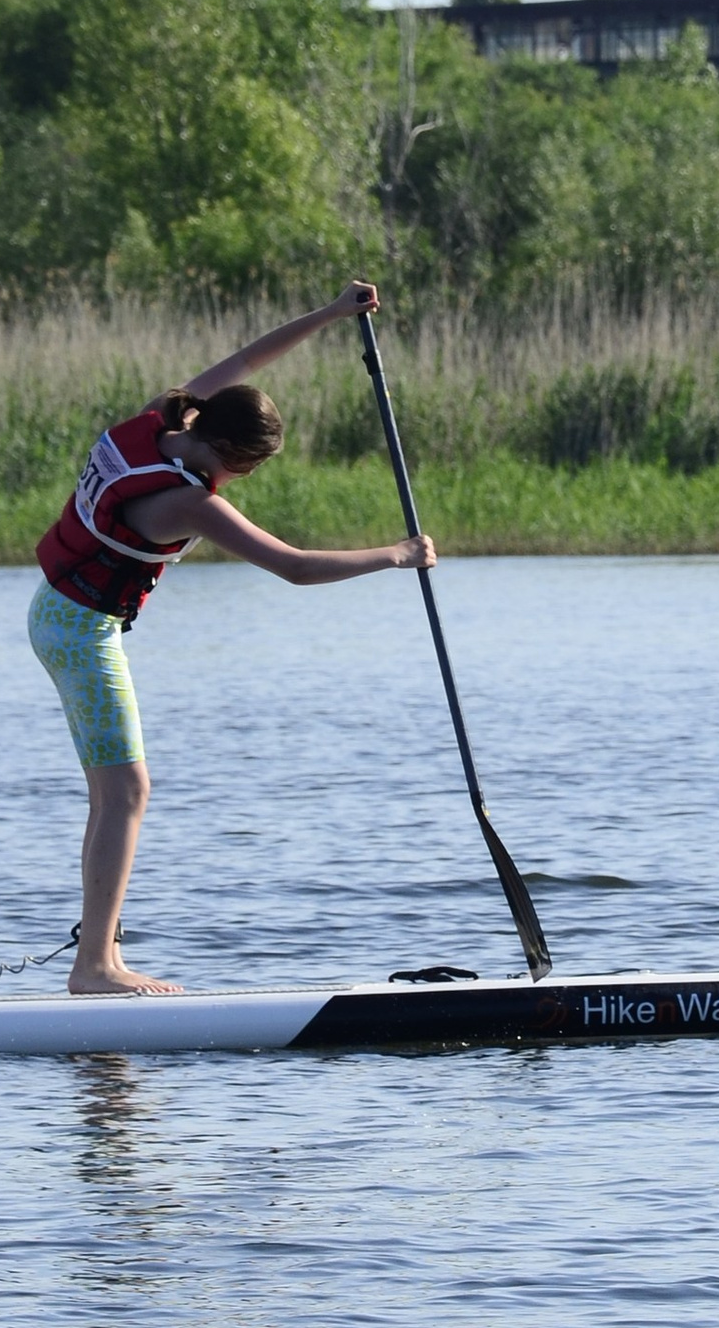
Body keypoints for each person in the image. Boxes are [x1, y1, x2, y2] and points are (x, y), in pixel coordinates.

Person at [29, 281, 435, 994]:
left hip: (57, 613)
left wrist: (334, 314)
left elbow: (247, 359)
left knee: (113, 793)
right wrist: (398, 555)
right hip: (80, 631)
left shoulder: (163, 416)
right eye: (248, 468)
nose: (240, 479)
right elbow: (293, 567)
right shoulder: (189, 499)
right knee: (126, 792)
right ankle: (94, 966)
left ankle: (101, 956)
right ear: (232, 455)